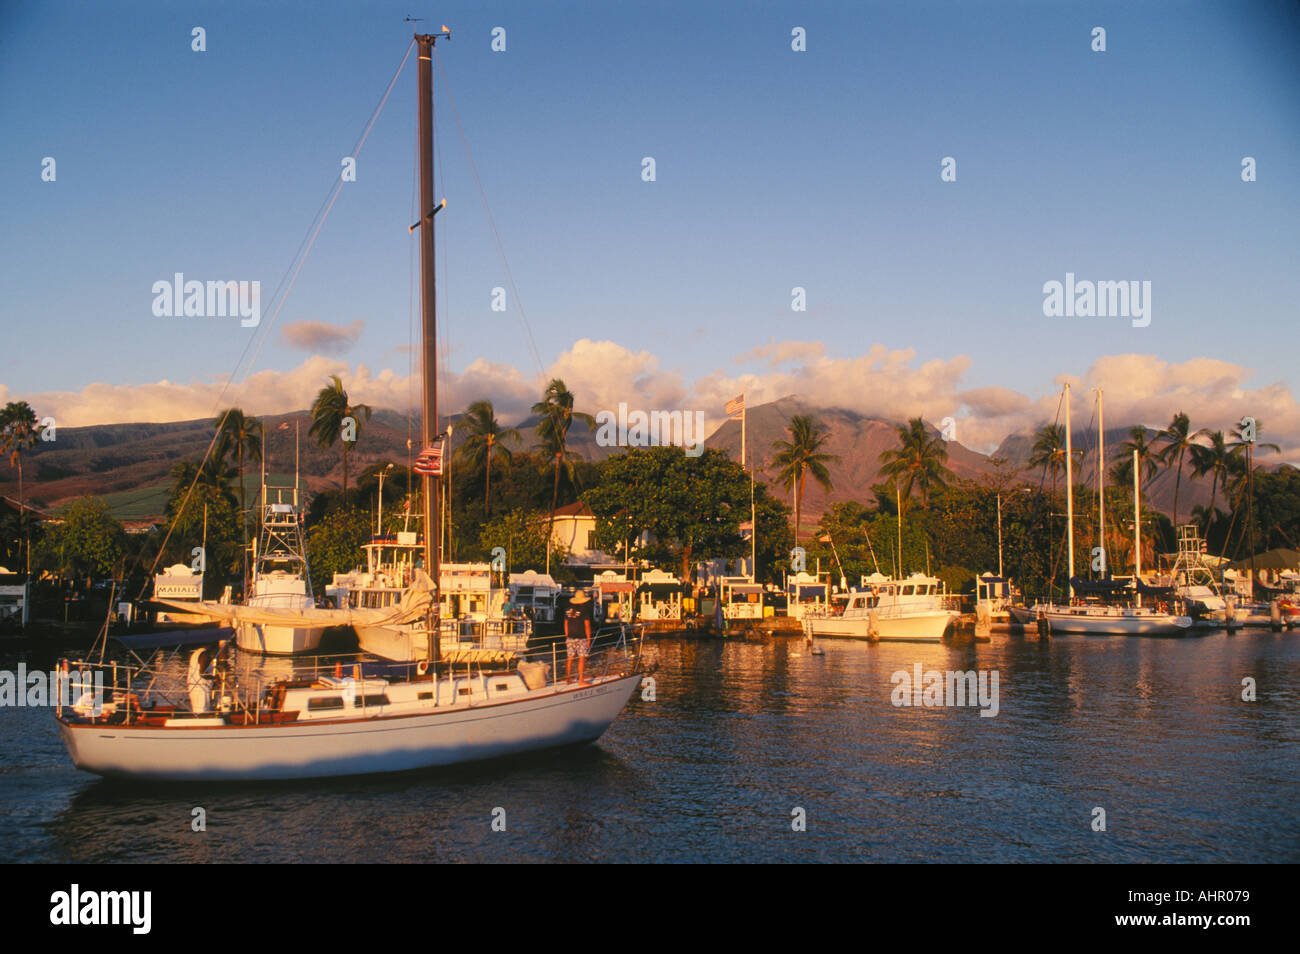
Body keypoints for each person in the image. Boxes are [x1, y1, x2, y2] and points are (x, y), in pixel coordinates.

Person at [564, 590, 593, 685]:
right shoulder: (584, 610)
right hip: (581, 637)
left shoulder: (568, 609)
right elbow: (587, 625)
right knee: (581, 658)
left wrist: (567, 636)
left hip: (570, 637)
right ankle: (581, 680)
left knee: (570, 658)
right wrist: (589, 639)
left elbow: (566, 623)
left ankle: (568, 679)